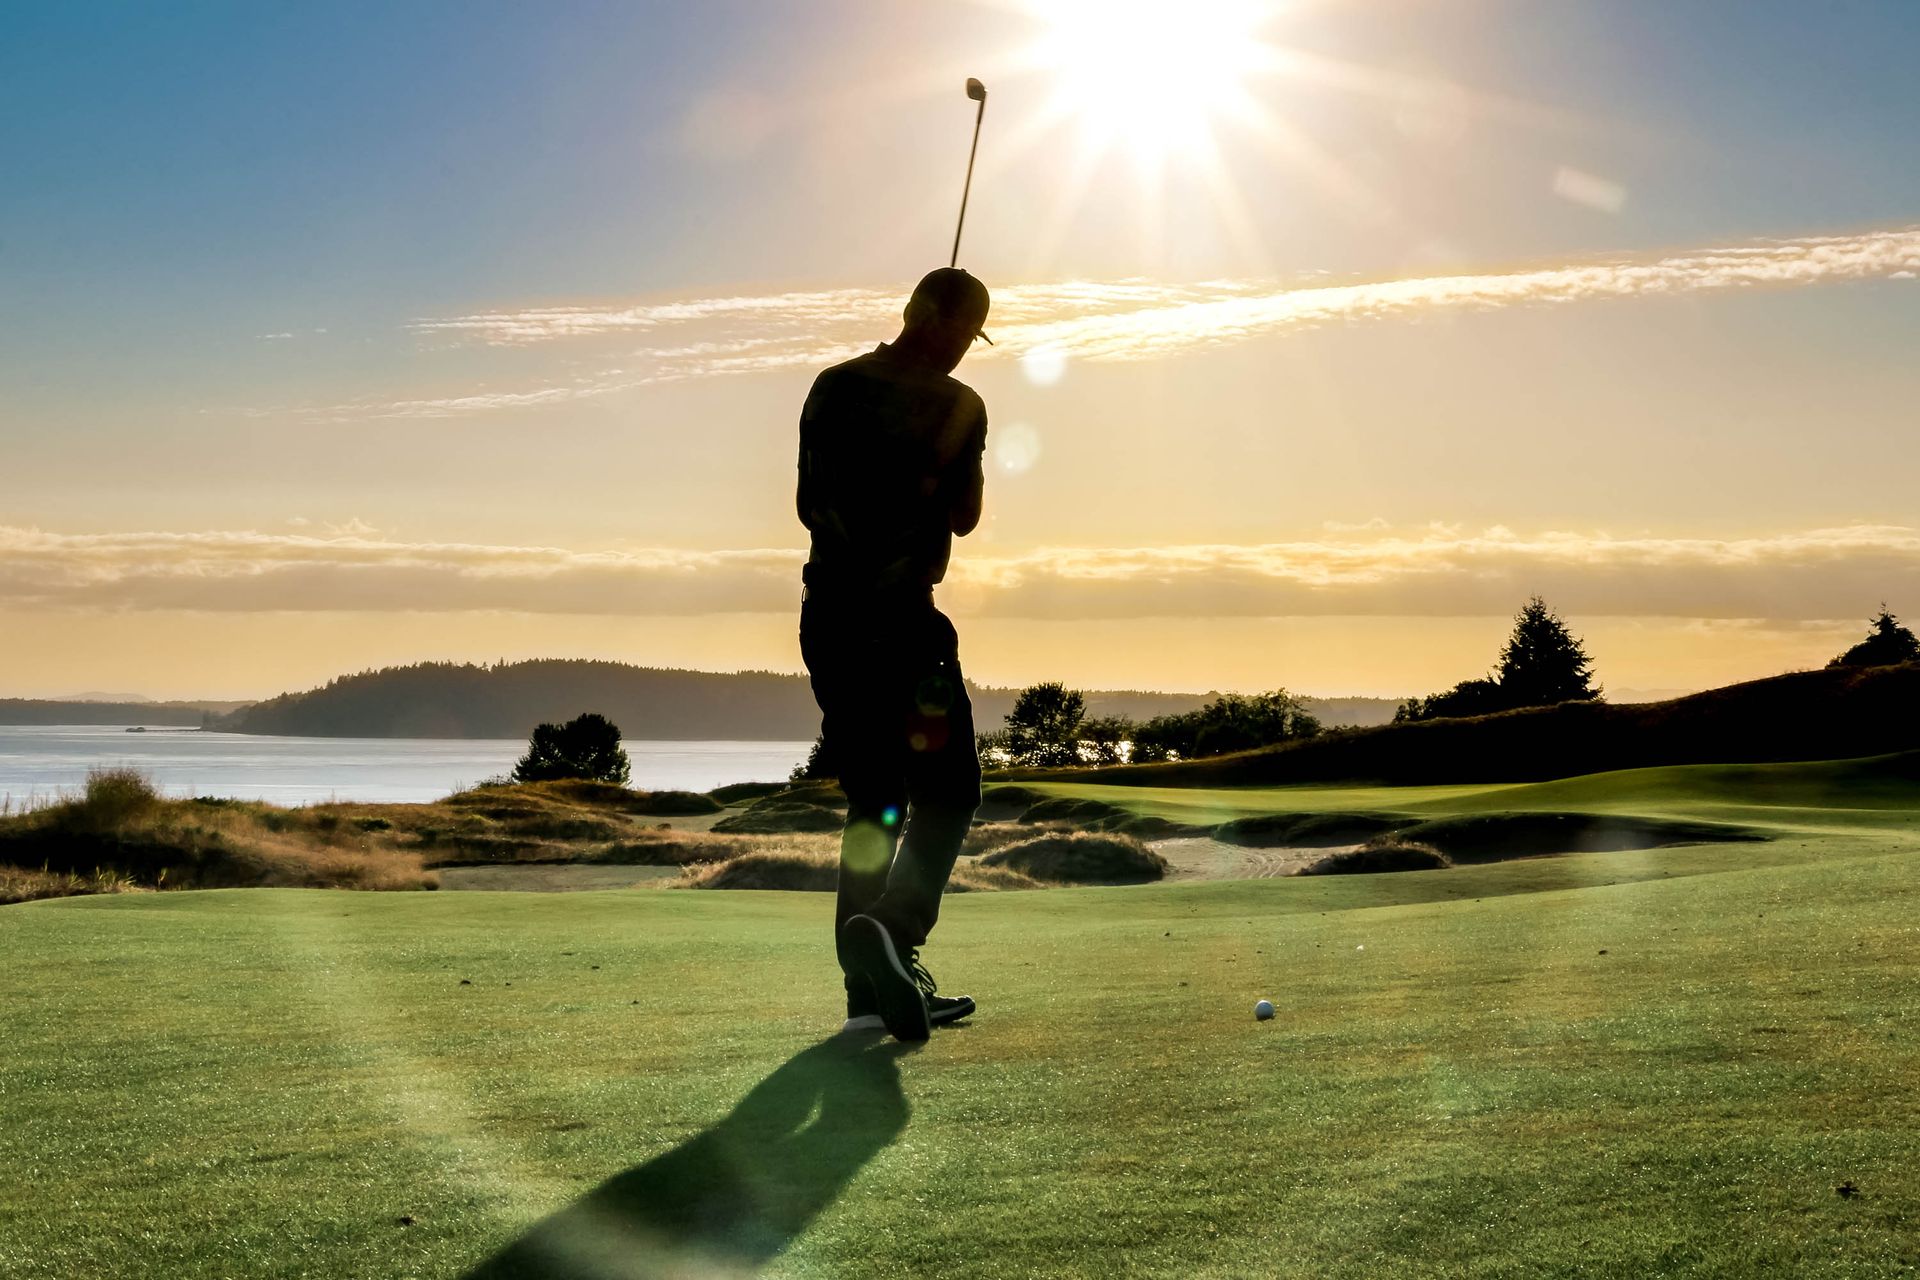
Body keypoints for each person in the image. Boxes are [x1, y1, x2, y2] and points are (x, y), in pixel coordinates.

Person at [796, 267, 993, 1043]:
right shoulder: (961, 405)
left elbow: (812, 503)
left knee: (875, 802)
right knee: (949, 793)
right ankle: (896, 933)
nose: (955, 352)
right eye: (959, 335)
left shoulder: (833, 386)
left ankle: (869, 997)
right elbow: (966, 519)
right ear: (934, 321)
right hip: (908, 629)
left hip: (831, 624)